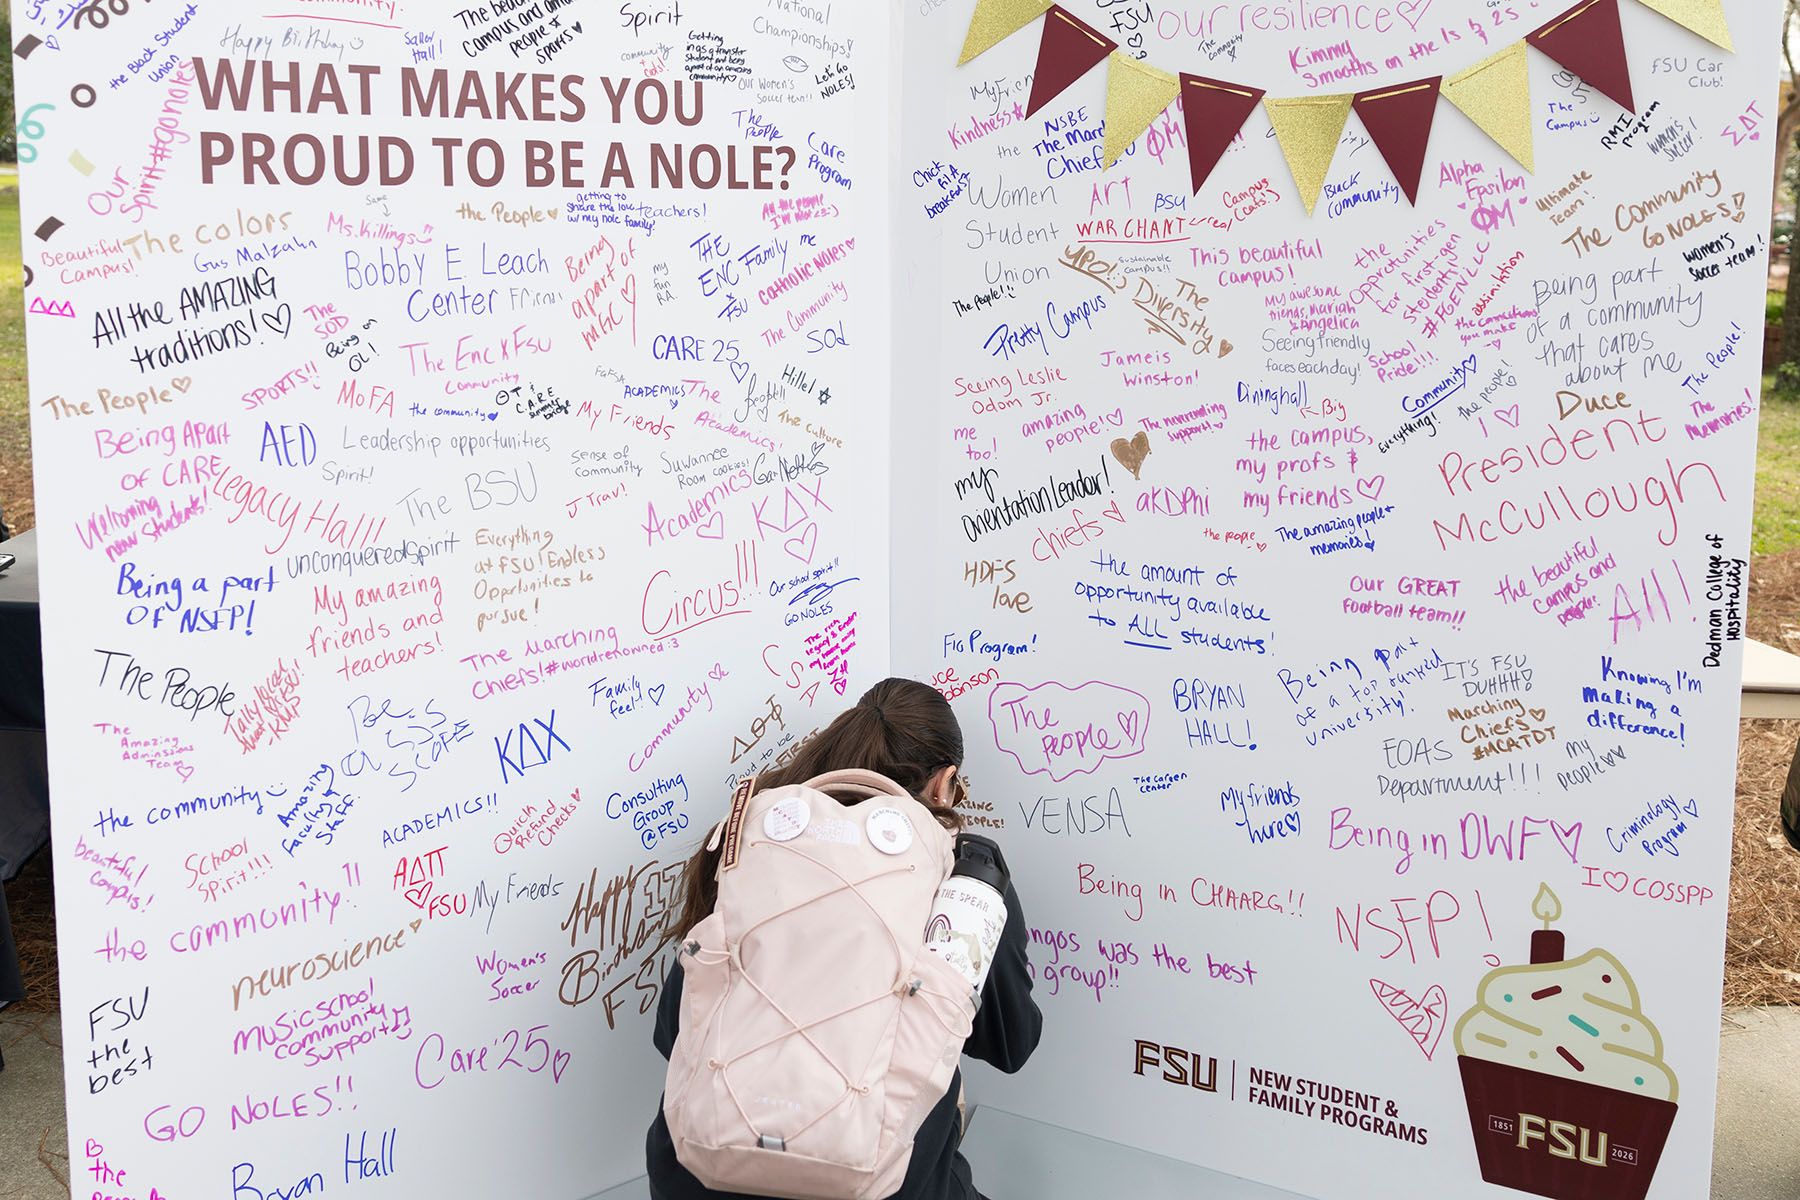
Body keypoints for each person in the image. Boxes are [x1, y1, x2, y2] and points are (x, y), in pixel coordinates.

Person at [646, 676, 1043, 1200]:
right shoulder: (962, 876)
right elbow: (1011, 1043)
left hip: (697, 1168)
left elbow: (671, 1034)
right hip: (875, 1181)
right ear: (945, 786)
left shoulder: (757, 837)